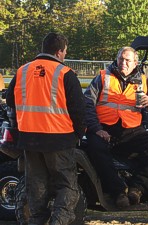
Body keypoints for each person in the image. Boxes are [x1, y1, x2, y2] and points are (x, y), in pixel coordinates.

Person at [6, 32, 86, 225]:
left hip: (29, 140)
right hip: (59, 139)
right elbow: (78, 109)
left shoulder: (22, 71)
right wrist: (78, 133)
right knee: (67, 186)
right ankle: (58, 221)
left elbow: (10, 101)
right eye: (65, 51)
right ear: (59, 52)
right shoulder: (65, 73)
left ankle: (35, 221)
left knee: (36, 185)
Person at [84, 46, 148, 208]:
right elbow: (87, 105)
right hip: (104, 129)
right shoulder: (102, 77)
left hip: (131, 131)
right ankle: (118, 191)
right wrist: (96, 128)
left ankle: (137, 189)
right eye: (121, 59)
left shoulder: (143, 80)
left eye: (128, 60)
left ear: (135, 63)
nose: (123, 63)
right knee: (94, 146)